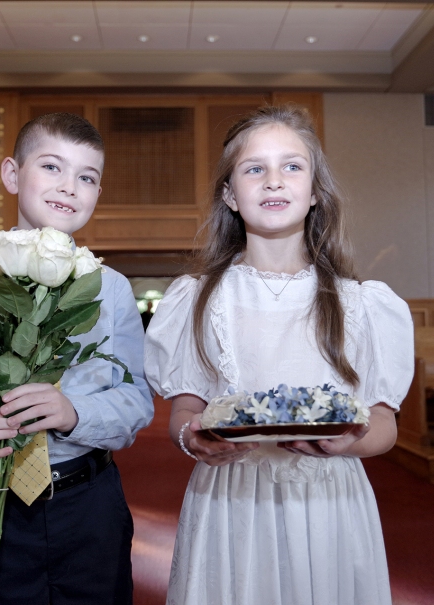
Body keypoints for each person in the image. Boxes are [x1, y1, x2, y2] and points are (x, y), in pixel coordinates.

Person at [144, 105, 414, 605]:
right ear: (230, 194)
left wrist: (348, 442)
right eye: (254, 169)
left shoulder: (361, 303)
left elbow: (383, 424)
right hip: (231, 498)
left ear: (314, 192)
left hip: (328, 499)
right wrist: (191, 438)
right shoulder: (198, 297)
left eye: (292, 166)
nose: (274, 181)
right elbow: (185, 410)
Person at [0, 112, 153, 605]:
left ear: (97, 194)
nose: (69, 187)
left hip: (88, 500)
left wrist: (76, 412)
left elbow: (136, 398)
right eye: (52, 167)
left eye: (87, 177)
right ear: (13, 175)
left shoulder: (111, 288)